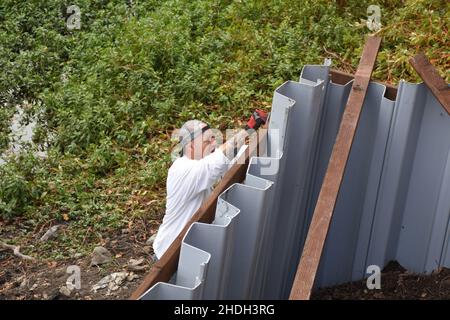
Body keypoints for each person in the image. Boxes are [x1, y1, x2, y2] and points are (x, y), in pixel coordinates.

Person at [152, 110, 268, 260]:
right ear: (191, 145)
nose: (214, 143)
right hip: (169, 255)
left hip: (186, 251)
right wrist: (250, 128)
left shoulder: (201, 162)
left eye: (214, 138)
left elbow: (236, 158)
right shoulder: (181, 169)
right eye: (208, 140)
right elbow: (219, 160)